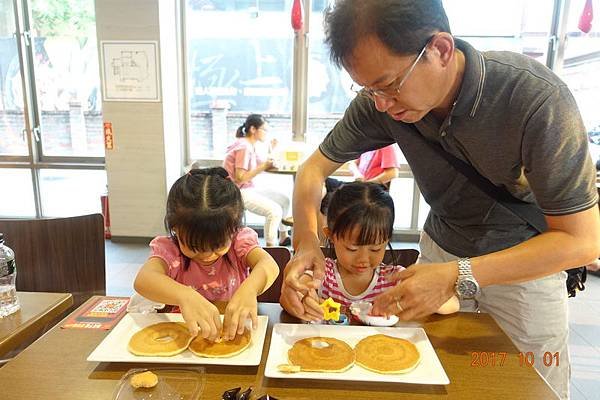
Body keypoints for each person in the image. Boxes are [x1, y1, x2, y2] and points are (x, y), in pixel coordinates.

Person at [281, 1, 600, 399]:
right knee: (423, 377)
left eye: (389, 85)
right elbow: (312, 171)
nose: (381, 104)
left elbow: (582, 241)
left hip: (525, 267)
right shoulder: (383, 104)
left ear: (441, 50)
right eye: (368, 89)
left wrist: (456, 274)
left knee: (527, 384)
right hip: (441, 251)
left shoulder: (536, 100)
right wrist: (306, 245)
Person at [133, 167, 279, 342]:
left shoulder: (239, 242)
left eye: (218, 245)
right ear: (175, 229)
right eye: (195, 246)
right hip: (186, 333)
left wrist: (250, 289)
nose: (208, 255)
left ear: (234, 230)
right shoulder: (170, 250)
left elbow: (269, 265)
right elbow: (143, 280)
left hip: (232, 332)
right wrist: (184, 296)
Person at [281, 182, 459, 317]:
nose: (363, 259)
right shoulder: (322, 274)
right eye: (352, 248)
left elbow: (453, 305)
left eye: (375, 249)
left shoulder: (394, 279)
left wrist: (430, 290)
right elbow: (294, 293)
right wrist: (303, 299)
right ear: (331, 236)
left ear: (387, 239)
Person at [223, 114, 292, 247]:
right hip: (237, 192)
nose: (266, 133)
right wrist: (264, 165)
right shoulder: (244, 147)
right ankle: (271, 248)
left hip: (248, 188)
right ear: (253, 129)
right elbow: (240, 177)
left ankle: (283, 236)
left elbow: (264, 164)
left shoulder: (249, 145)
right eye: (264, 130)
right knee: (274, 211)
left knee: (284, 200)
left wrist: (272, 150)